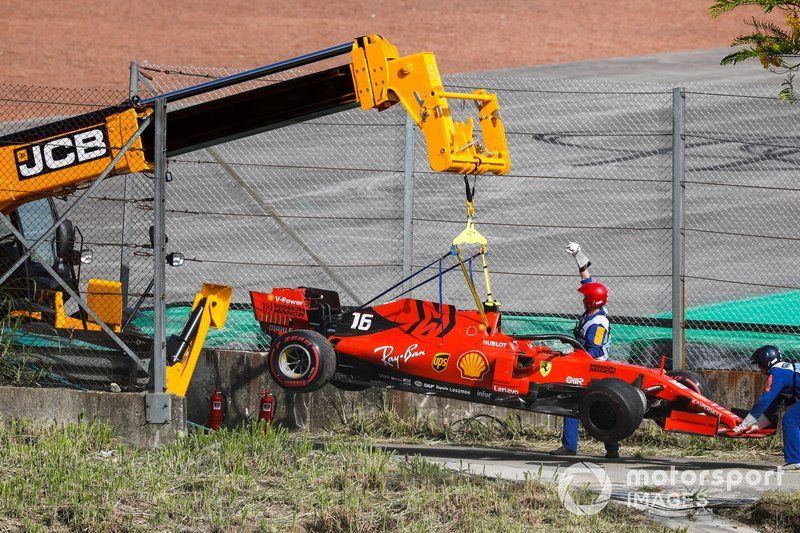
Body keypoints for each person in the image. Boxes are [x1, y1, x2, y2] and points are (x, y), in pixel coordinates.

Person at [549, 242, 620, 459]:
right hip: (586, 365)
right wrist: (579, 256)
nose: (582, 298)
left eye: (584, 297)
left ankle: (573, 447)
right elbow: (588, 282)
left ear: (590, 301)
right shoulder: (596, 309)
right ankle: (611, 450)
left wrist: (570, 353)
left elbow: (595, 352)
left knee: (574, 403)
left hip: (594, 370)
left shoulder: (597, 323)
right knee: (599, 406)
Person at [733, 345, 800, 469]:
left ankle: (795, 460)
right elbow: (774, 405)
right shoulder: (786, 371)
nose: (759, 369)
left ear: (767, 362)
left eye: (760, 365)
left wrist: (744, 425)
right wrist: (756, 426)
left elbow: (765, 401)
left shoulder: (778, 373)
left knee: (790, 420)